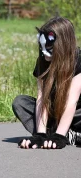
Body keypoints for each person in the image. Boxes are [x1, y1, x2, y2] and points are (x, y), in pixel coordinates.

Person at [12, 16, 81, 149]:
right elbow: (42, 99)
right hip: (56, 113)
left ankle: (64, 134)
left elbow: (71, 101)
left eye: (48, 47)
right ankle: (64, 135)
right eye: (41, 47)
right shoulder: (43, 61)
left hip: (77, 114)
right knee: (20, 103)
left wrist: (59, 136)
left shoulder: (79, 60)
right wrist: (40, 134)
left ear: (62, 44)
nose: (44, 52)